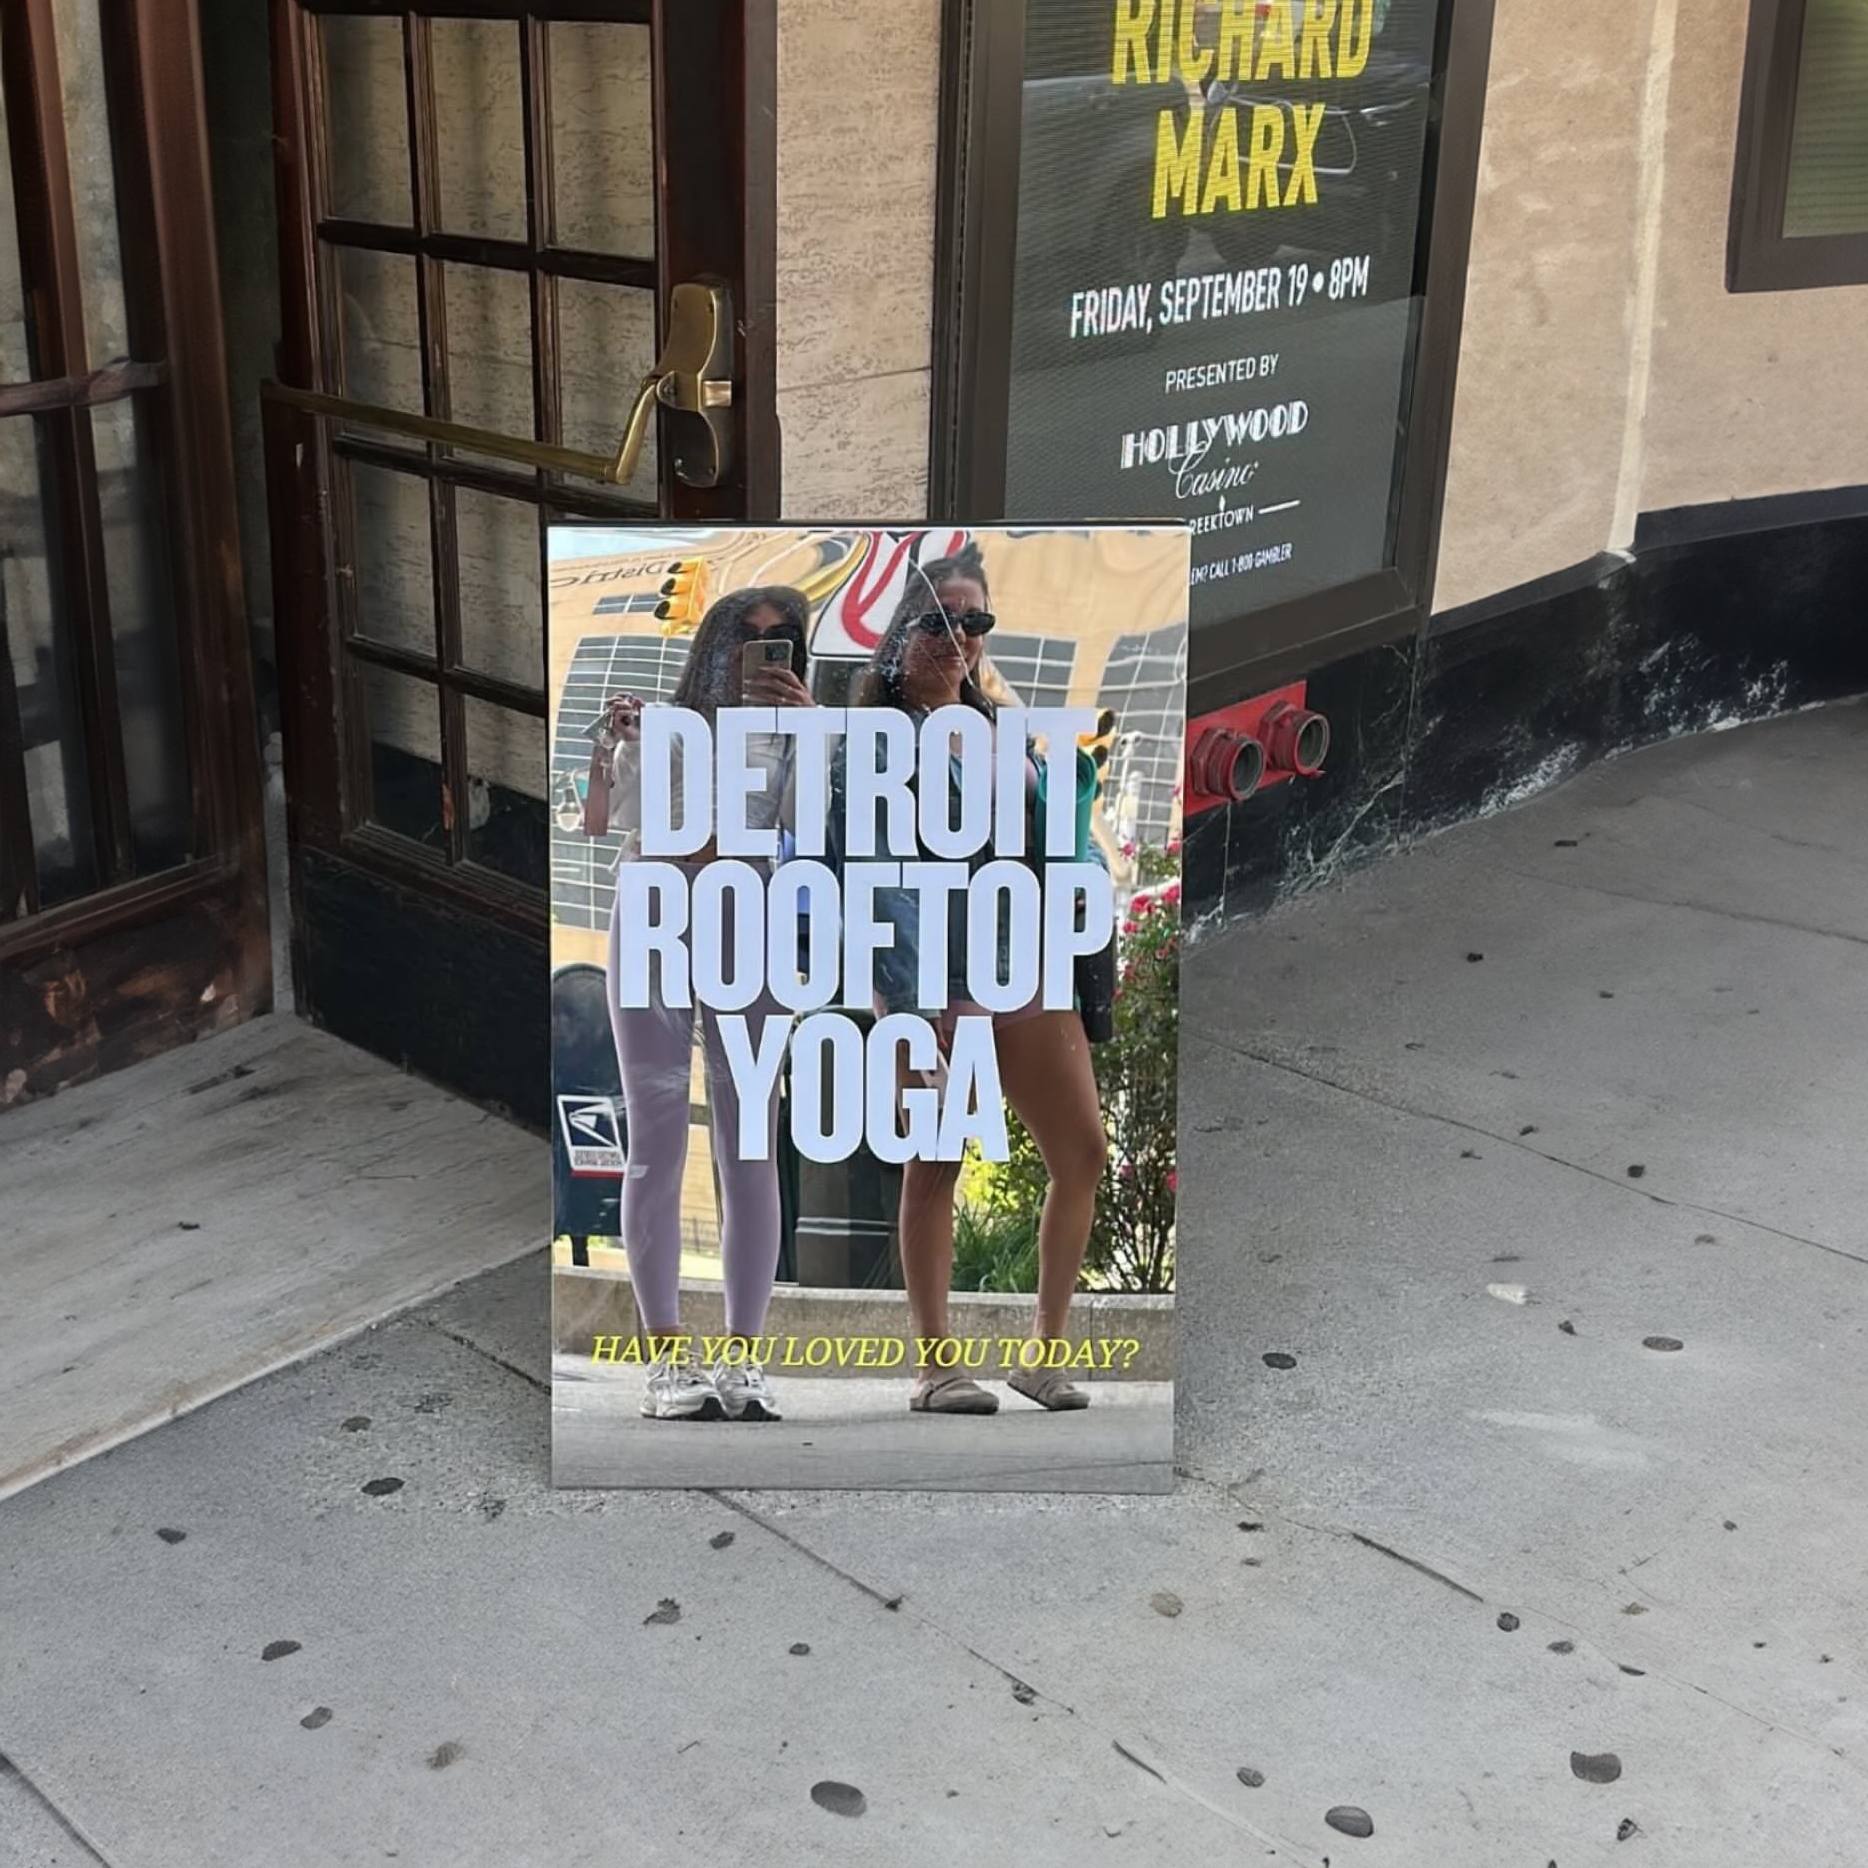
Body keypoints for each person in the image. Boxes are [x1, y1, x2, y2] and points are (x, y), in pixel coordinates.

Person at [828, 546, 1109, 1415]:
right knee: (934, 1167)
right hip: (934, 989)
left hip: (1022, 969)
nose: (959, 638)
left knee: (1084, 1153)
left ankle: (1044, 1356)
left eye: (974, 621)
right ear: (896, 636)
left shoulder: (1001, 729)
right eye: (939, 620)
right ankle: (934, 1366)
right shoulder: (872, 748)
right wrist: (911, 1009)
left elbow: (1057, 834)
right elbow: (867, 883)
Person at [582, 585, 813, 1422]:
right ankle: (666, 1358)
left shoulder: (797, 730)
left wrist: (810, 731)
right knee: (656, 1137)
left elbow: (812, 833)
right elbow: (597, 823)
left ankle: (745, 1358)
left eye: (780, 638)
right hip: (652, 909)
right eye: (743, 636)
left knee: (750, 1137)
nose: (759, 651)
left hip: (747, 918)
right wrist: (611, 748)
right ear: (711, 644)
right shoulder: (655, 723)